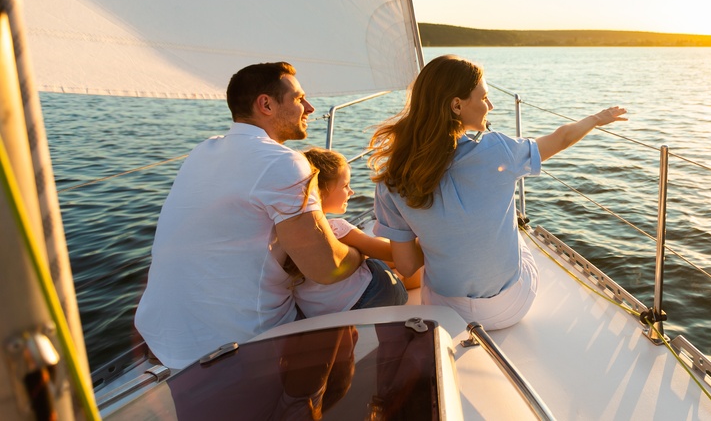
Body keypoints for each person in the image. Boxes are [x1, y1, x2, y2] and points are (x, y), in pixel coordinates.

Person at [135, 62, 379, 370]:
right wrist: (362, 254)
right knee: (380, 282)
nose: (310, 107)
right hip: (241, 342)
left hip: (164, 336)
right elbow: (325, 267)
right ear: (265, 104)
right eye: (298, 98)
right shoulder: (283, 162)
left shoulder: (203, 150)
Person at [369, 54, 627, 329]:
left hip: (444, 311)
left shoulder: (392, 179)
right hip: (509, 307)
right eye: (483, 98)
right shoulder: (499, 150)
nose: (490, 106)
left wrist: (441, 238)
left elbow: (406, 267)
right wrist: (597, 118)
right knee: (516, 231)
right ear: (456, 105)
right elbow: (561, 138)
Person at [288, 148, 411, 318]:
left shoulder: (286, 235)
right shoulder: (337, 229)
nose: (351, 192)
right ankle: (403, 281)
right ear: (321, 191)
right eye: (345, 185)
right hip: (374, 297)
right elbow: (393, 254)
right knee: (388, 264)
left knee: (371, 256)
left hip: (320, 314)